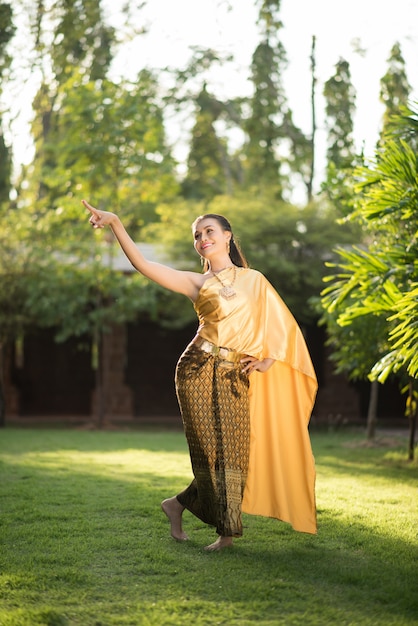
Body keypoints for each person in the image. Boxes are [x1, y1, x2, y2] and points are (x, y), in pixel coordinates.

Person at [82, 199, 318, 551]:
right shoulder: (196, 283)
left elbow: (280, 325)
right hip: (196, 368)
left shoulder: (255, 280)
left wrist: (269, 359)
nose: (202, 237)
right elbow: (143, 264)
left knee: (235, 454)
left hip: (236, 372)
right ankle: (227, 533)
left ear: (227, 237)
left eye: (209, 231)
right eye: (197, 234)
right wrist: (116, 223)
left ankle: (176, 505)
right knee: (211, 453)